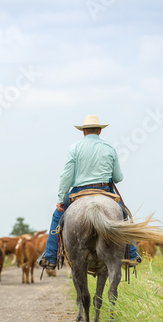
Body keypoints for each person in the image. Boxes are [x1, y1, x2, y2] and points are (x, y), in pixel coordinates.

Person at [39, 114, 141, 270]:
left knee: (57, 217)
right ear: (100, 131)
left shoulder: (74, 148)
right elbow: (118, 177)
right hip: (105, 190)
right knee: (124, 216)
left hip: (79, 191)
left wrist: (60, 199)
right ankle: (132, 255)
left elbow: (67, 176)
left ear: (84, 131)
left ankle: (50, 257)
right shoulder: (109, 148)